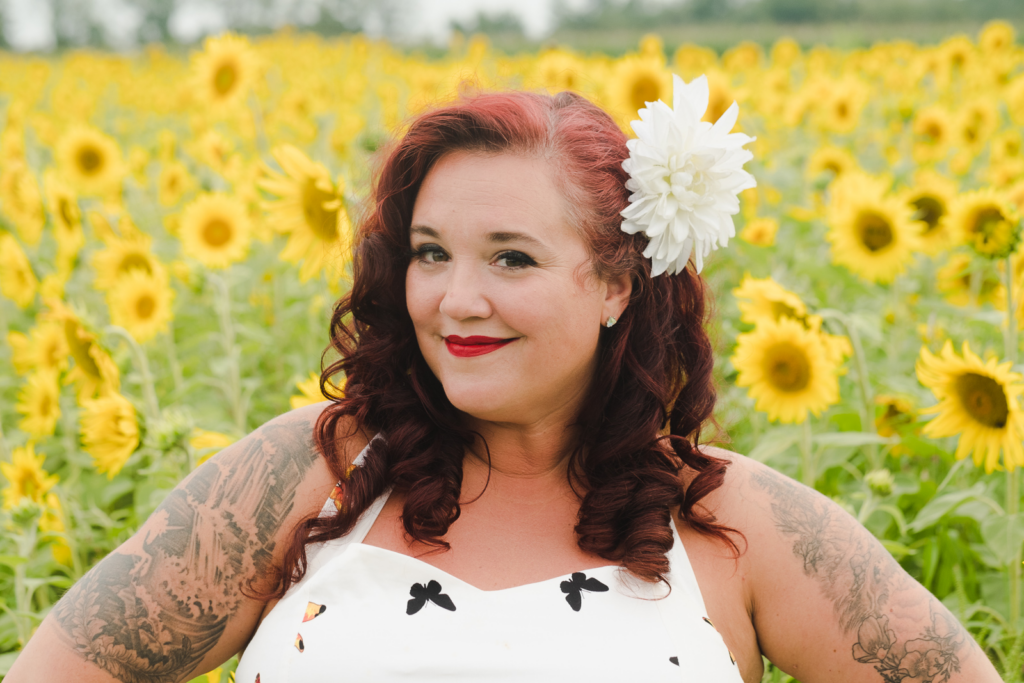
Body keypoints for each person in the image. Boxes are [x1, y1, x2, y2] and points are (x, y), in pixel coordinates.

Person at [8, 86, 1001, 683]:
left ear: (616, 282)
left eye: (512, 259)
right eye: (430, 252)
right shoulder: (314, 472)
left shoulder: (732, 521)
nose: (455, 298)